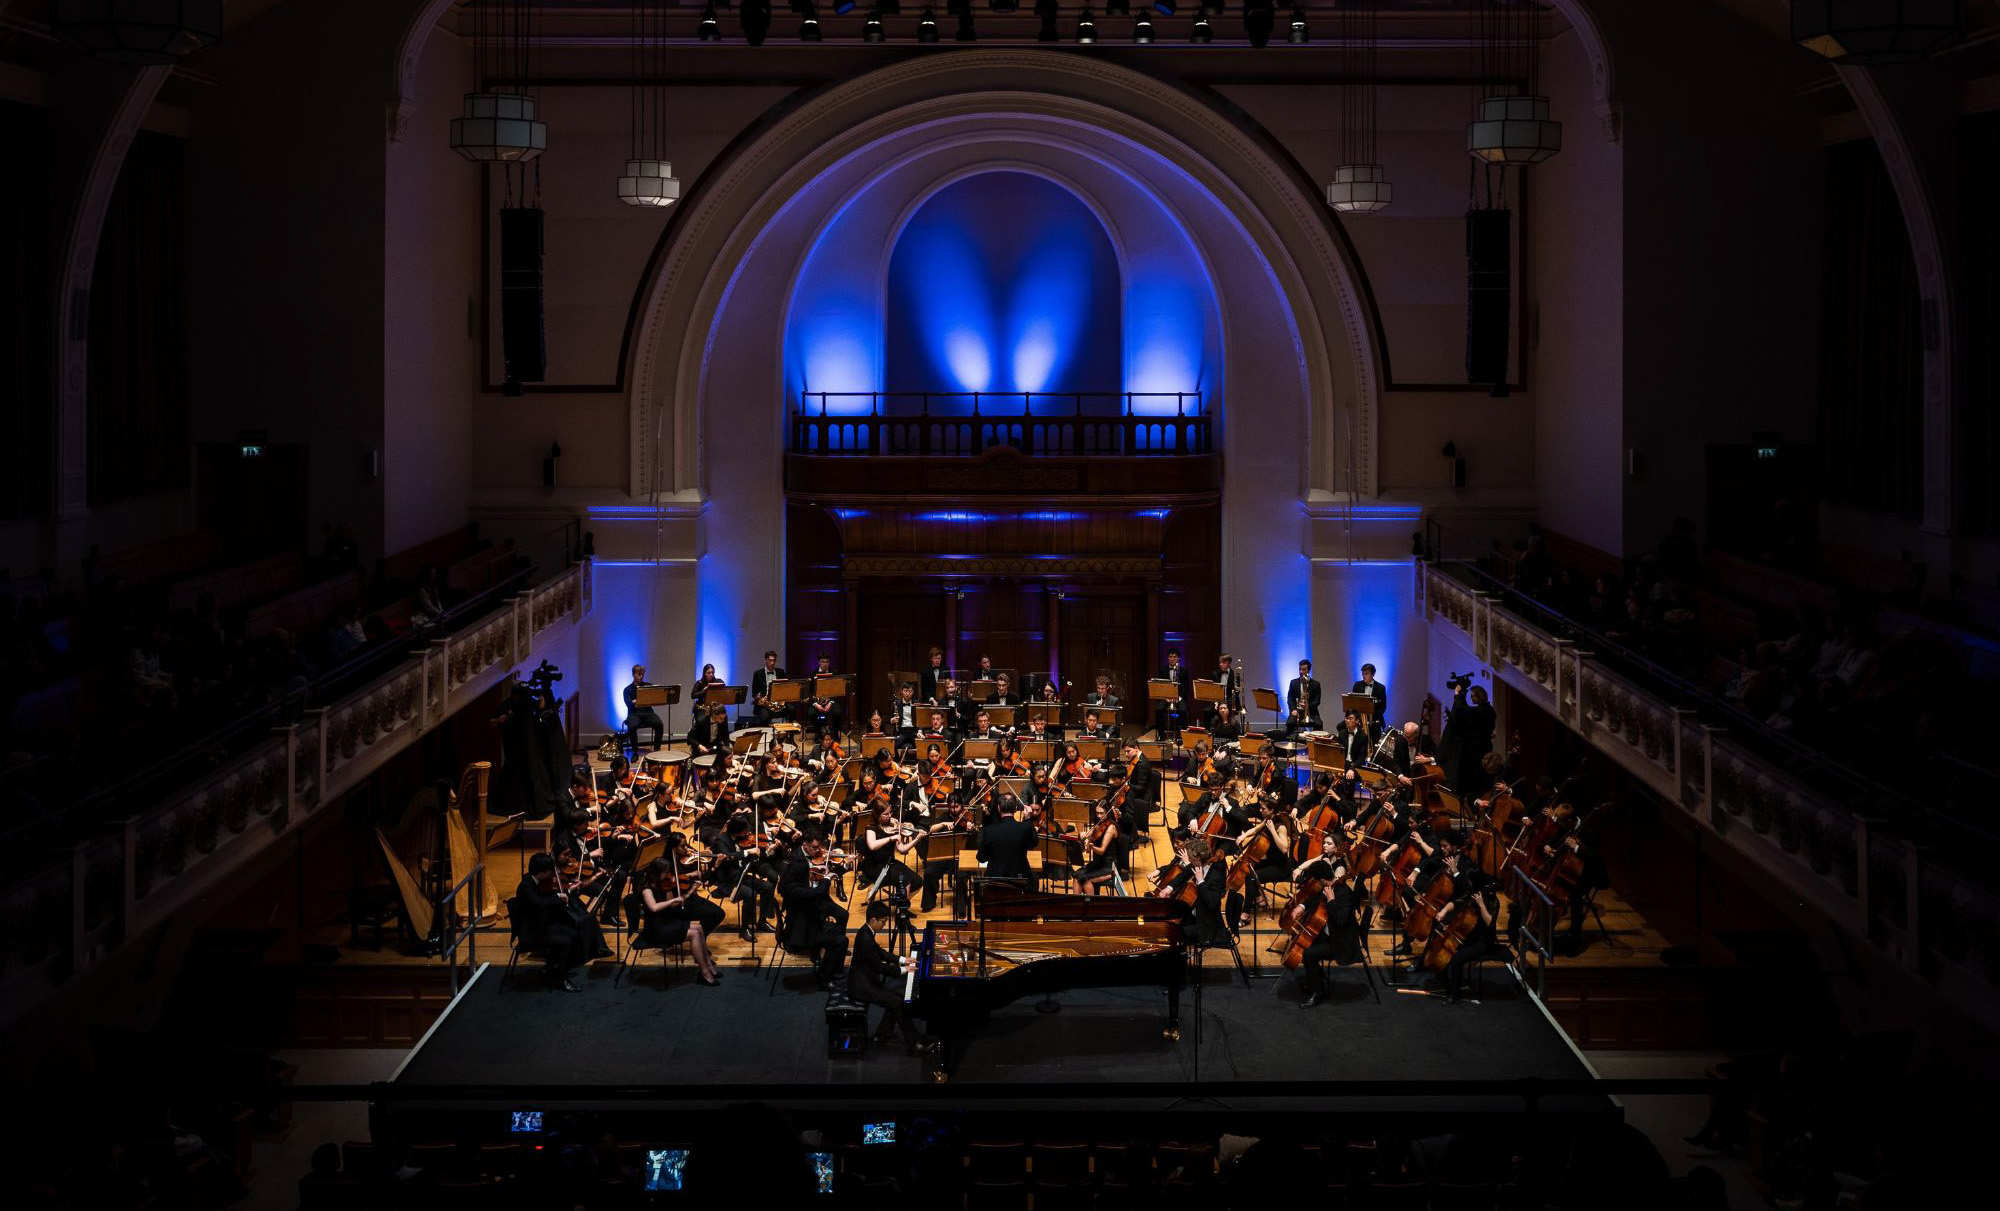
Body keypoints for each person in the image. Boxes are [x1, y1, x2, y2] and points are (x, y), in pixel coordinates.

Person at [515, 852, 600, 992]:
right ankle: (560, 980)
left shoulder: (535, 881)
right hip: (532, 932)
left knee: (574, 934)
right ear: (541, 872)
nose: (551, 875)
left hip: (542, 925)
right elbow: (540, 904)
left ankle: (554, 968)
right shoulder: (526, 886)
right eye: (550, 871)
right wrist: (558, 896)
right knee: (566, 942)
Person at [1287, 855, 1362, 1008]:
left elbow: (1341, 920)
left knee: (1308, 954)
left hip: (1341, 942)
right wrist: (1301, 907)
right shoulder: (1327, 887)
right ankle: (1317, 980)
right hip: (1330, 934)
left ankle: (1317, 993)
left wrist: (1332, 901)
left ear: (1321, 880)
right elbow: (1313, 900)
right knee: (1304, 944)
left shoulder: (1343, 893)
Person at [848, 901, 922, 1051]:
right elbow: (879, 967)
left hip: (866, 979)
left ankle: (882, 1034)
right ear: (873, 920)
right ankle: (914, 1044)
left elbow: (880, 953)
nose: (885, 925)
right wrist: (904, 970)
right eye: (883, 922)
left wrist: (902, 960)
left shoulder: (866, 932)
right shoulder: (865, 939)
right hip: (862, 986)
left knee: (895, 998)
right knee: (896, 1002)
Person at [637, 860, 722, 986]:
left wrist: (690, 891)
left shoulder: (662, 885)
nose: (669, 876)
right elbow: (654, 907)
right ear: (658, 873)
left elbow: (675, 903)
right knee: (695, 935)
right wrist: (672, 901)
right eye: (666, 873)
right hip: (656, 929)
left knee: (699, 928)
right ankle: (704, 972)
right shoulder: (646, 889)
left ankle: (708, 965)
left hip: (666, 922)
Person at [780, 835, 850, 988]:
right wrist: (826, 879)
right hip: (803, 924)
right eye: (814, 848)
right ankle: (825, 969)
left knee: (841, 922)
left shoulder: (794, 883)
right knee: (839, 940)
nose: (818, 851)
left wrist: (843, 867)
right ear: (805, 845)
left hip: (811, 909)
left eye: (819, 847)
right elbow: (816, 893)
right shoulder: (797, 872)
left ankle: (835, 969)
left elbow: (819, 888)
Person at [859, 802, 923, 900]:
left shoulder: (893, 827)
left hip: (890, 862)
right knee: (904, 881)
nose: (889, 816)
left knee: (917, 881)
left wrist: (916, 839)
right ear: (877, 815)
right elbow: (872, 846)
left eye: (890, 813)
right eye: (885, 814)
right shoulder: (871, 828)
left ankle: (900, 903)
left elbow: (902, 849)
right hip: (875, 866)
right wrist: (890, 838)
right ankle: (902, 909)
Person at [1443, 681, 1497, 796]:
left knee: (1474, 777)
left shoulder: (1483, 710)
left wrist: (1457, 695)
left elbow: (1464, 711)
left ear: (1479, 696)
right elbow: (1468, 711)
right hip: (1480, 747)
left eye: (1473, 696)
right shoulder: (1487, 709)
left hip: (1477, 750)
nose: (1471, 698)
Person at [977, 798, 1037, 885]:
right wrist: (1028, 818)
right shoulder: (1025, 828)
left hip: (995, 882)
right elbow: (1034, 842)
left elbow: (981, 859)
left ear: (998, 808)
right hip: (1019, 881)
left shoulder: (989, 831)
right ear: (1015, 809)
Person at [1075, 801, 1130, 895]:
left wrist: (1092, 847)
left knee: (1085, 879)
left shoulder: (1111, 828)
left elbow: (1101, 850)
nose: (1099, 816)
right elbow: (1088, 849)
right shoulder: (1098, 826)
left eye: (1101, 813)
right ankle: (1076, 905)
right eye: (1097, 813)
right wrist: (1083, 837)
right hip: (1098, 863)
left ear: (1108, 812)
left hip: (1109, 866)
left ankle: (1091, 906)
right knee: (1076, 876)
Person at [623, 663, 665, 752]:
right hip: (634, 713)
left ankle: (656, 750)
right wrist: (636, 701)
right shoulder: (627, 690)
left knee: (659, 724)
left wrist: (658, 691)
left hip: (648, 712)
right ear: (633, 674)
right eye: (639, 674)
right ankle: (635, 752)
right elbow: (629, 704)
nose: (641, 677)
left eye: (642, 675)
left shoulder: (648, 686)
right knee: (632, 726)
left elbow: (654, 698)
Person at [1154, 648, 1192, 739]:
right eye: (1170, 657)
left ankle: (1181, 736)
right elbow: (1161, 686)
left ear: (1178, 658)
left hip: (1179, 698)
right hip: (1166, 697)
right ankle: (1161, 735)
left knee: (1183, 710)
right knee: (1158, 710)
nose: (1172, 659)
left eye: (1174, 657)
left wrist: (1178, 697)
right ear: (1167, 658)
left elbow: (1186, 687)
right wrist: (1166, 697)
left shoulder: (1183, 670)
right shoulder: (1163, 670)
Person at [1286, 658, 1323, 736]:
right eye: (1300, 669)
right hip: (1297, 710)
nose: (1301, 672)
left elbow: (1317, 701)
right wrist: (1293, 709)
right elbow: (1290, 699)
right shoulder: (1293, 683)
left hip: (1311, 711)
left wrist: (1307, 707)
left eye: (1303, 669)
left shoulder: (1316, 684)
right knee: (1290, 723)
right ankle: (1290, 742)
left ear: (1308, 670)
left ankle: (1316, 744)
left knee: (1319, 724)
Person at [750, 650, 786, 728]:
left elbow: (785, 689)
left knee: (792, 710)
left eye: (774, 660)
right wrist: (758, 697)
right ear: (765, 661)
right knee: (764, 717)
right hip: (764, 705)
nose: (772, 663)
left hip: (778, 703)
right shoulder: (758, 674)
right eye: (770, 660)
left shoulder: (781, 672)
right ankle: (767, 738)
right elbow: (754, 693)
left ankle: (789, 736)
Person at [1352, 662, 1388, 733]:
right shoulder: (1357, 685)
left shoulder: (1381, 688)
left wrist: (1372, 717)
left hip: (1374, 721)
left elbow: (1383, 707)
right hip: (1359, 720)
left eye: (1366, 674)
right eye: (1363, 674)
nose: (1364, 676)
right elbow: (1353, 703)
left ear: (1373, 674)